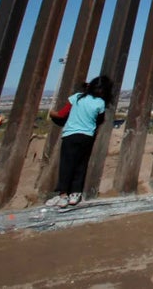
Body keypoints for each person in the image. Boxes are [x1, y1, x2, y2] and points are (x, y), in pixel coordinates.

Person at [46, 76, 113, 208]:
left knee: (66, 164)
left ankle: (63, 194)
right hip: (87, 136)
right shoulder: (100, 103)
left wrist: (52, 113)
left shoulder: (77, 97)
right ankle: (75, 193)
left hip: (70, 135)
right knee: (81, 164)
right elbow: (100, 119)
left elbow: (61, 114)